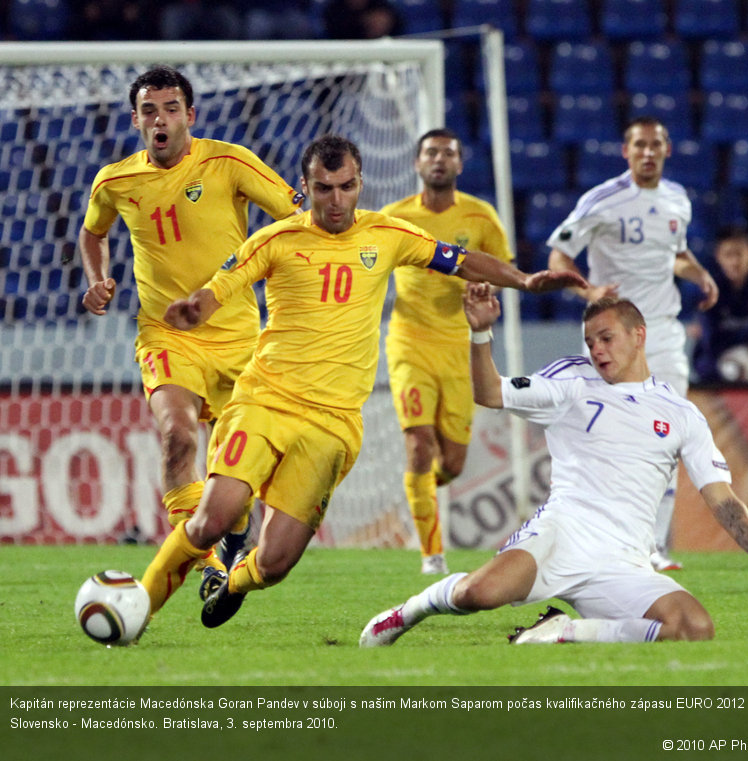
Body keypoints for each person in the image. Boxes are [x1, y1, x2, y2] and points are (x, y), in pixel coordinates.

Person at [137, 134, 588, 632]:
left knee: (275, 563)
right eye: (324, 188)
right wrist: (194, 308)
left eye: (346, 187)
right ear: (305, 188)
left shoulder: (387, 234)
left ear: (360, 184)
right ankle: (138, 605)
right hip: (265, 400)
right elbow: (222, 286)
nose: (336, 200)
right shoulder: (276, 240)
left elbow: (459, 260)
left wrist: (523, 280)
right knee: (211, 518)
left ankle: (236, 581)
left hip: (332, 425)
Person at [360, 292, 748, 648]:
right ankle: (408, 611)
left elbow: (721, 497)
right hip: (563, 535)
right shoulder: (571, 382)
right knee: (476, 595)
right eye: (591, 341)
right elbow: (490, 393)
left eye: (606, 338)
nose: (597, 350)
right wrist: (481, 334)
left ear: (638, 336)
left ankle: (564, 633)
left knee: (693, 627)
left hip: (624, 561)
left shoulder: (682, 414)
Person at [79, 65, 303, 578]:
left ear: (190, 116)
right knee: (178, 435)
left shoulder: (229, 162)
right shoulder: (115, 180)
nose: (161, 119)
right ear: (135, 120)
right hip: (165, 335)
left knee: (239, 470)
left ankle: (234, 532)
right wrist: (98, 278)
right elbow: (93, 233)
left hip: (240, 336)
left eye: (172, 108)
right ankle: (201, 563)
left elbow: (296, 215)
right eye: (150, 110)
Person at [546, 115, 719, 572]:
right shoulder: (601, 200)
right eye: (639, 145)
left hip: (660, 331)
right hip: (610, 335)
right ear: (626, 152)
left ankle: (651, 548)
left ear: (667, 150)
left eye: (655, 145)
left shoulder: (677, 200)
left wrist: (698, 272)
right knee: (603, 438)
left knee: (669, 437)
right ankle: (592, 538)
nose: (647, 152)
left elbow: (675, 254)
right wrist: (587, 292)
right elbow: (559, 254)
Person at [381, 128, 514, 574]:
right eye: (431, 153)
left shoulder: (480, 217)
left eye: (448, 153)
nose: (439, 159)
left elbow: (502, 267)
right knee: (419, 445)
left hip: (460, 349)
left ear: (459, 164)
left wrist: (487, 284)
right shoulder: (394, 217)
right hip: (409, 343)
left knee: (451, 464)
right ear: (417, 164)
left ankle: (417, 492)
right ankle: (432, 556)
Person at [692, 228, 748, 384]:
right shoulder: (709, 289)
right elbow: (712, 341)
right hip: (712, 370)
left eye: (739, 254)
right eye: (728, 255)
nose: (734, 262)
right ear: (718, 256)